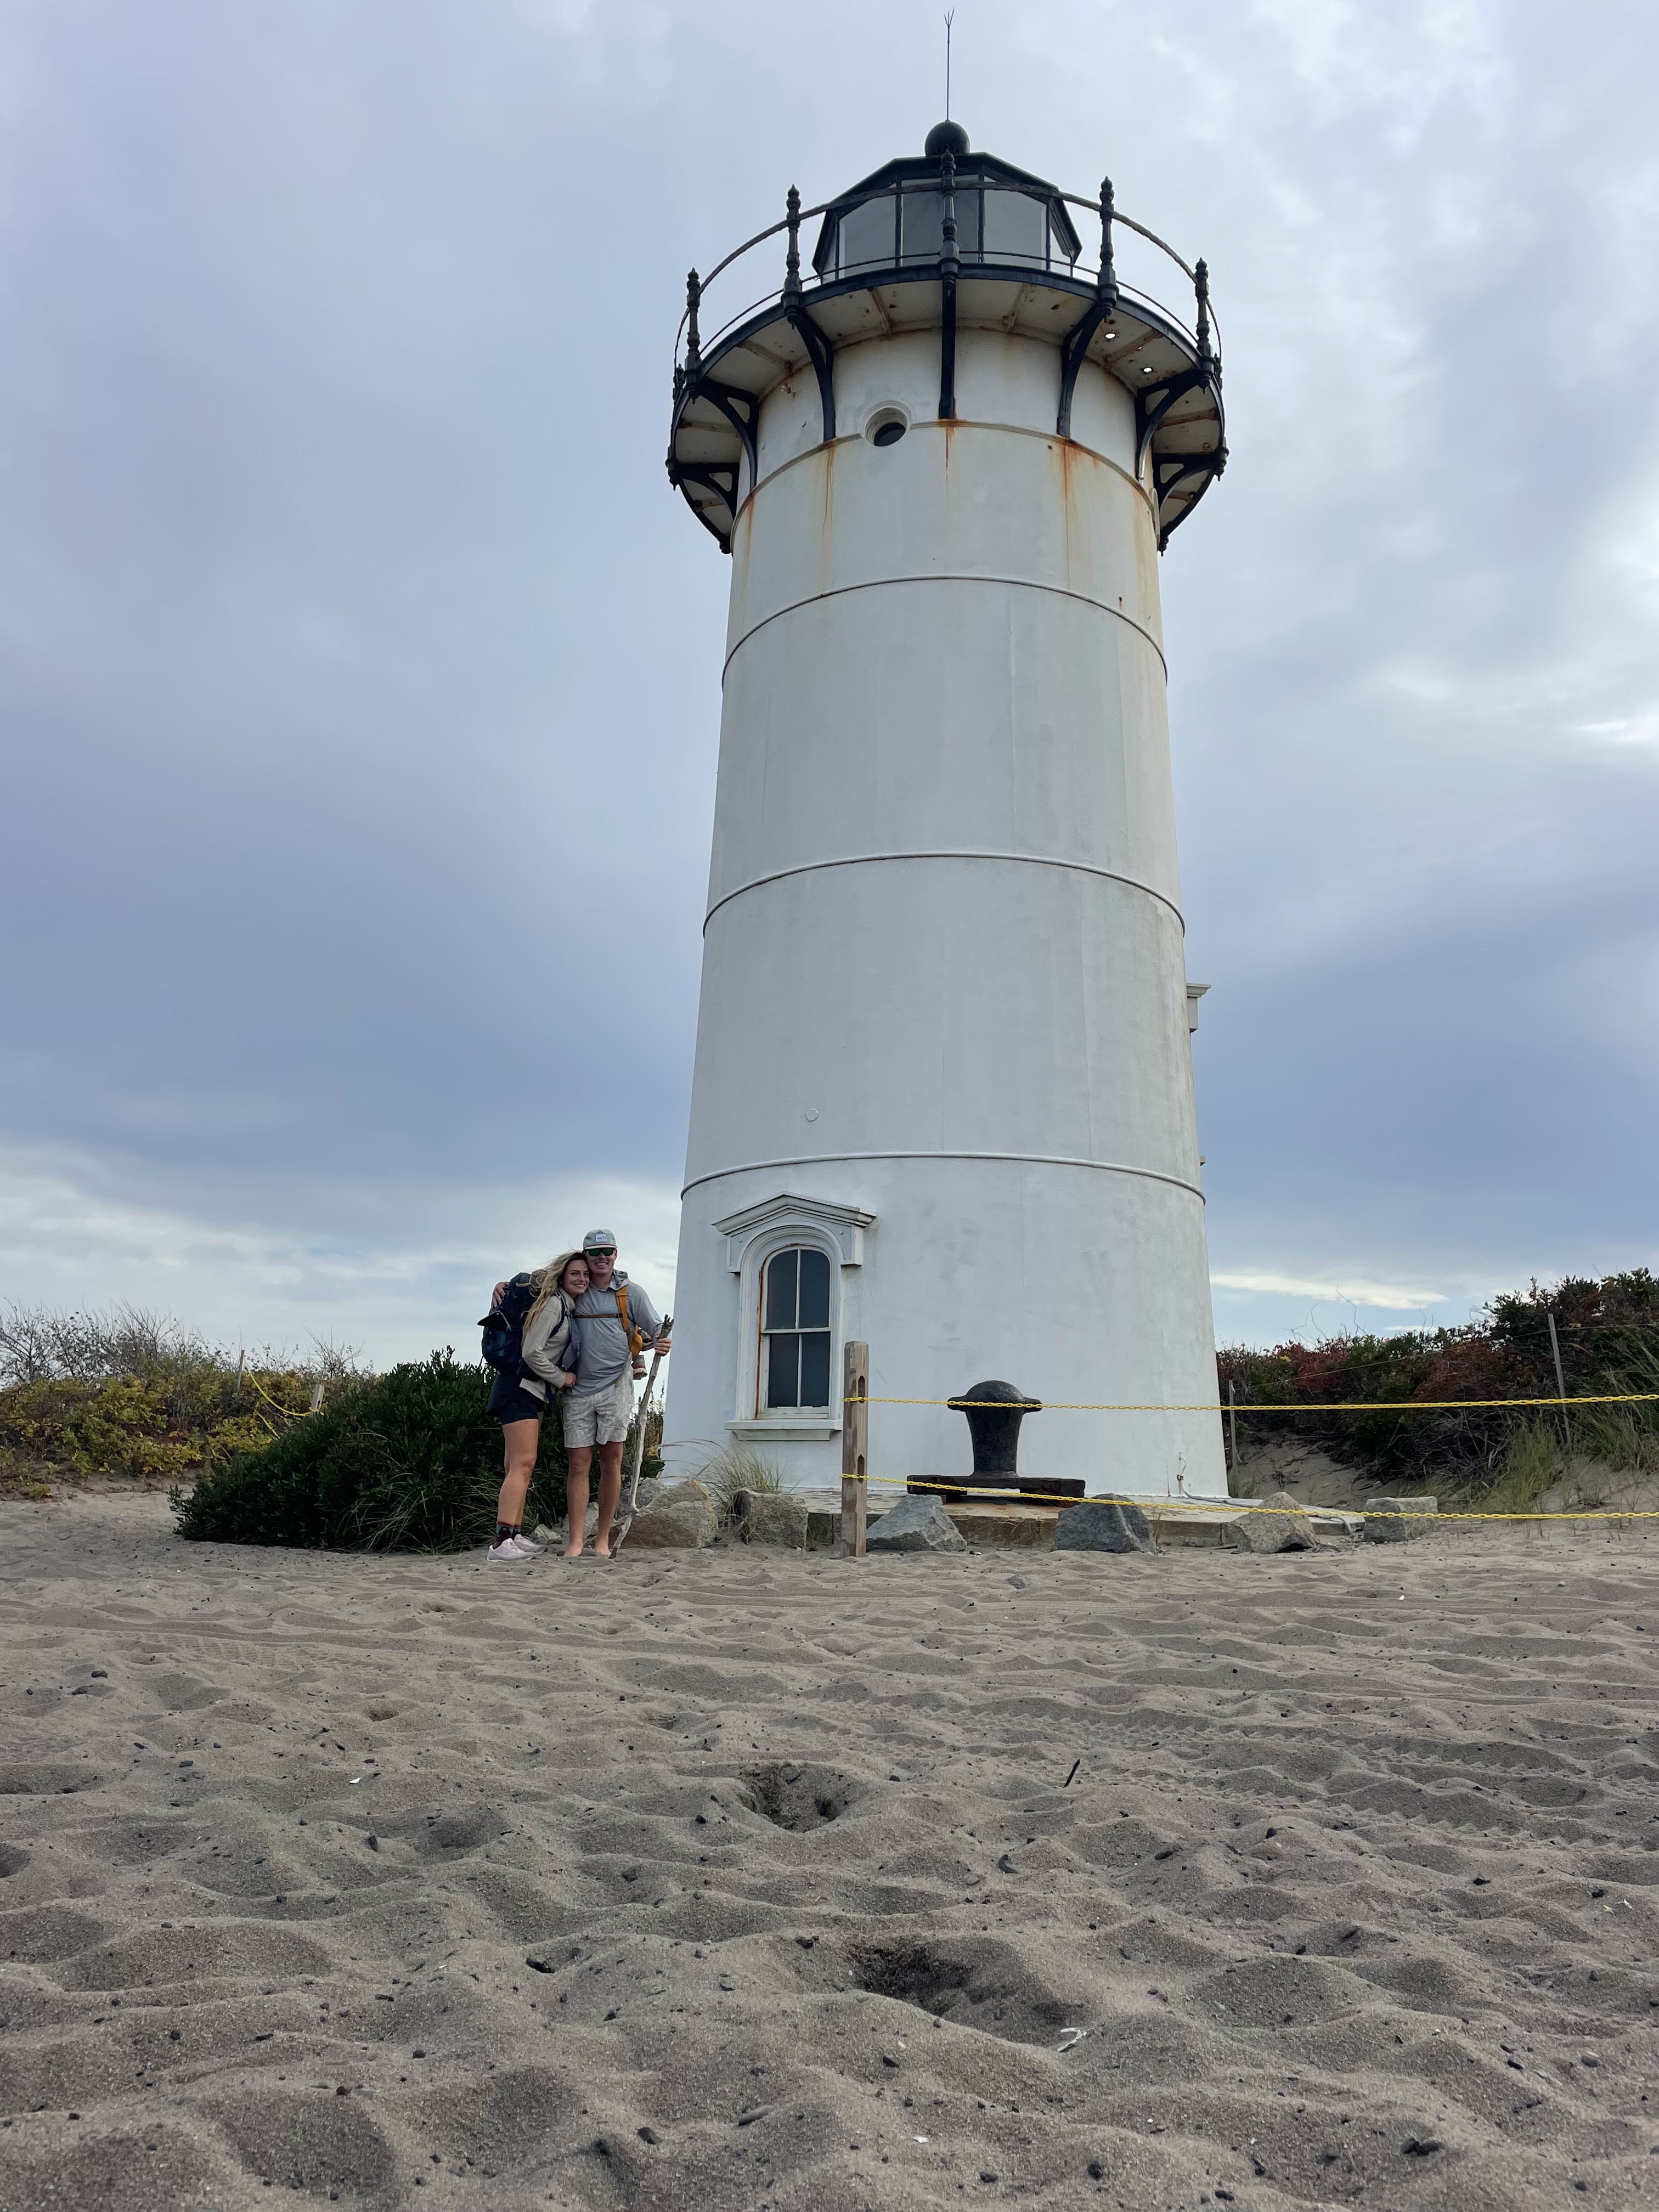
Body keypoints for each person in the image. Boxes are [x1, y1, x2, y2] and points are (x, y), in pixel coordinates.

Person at [561, 1229, 670, 1559]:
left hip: (618, 1386)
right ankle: (575, 1541)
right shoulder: (570, 1287)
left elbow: (655, 1327)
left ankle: (603, 1540)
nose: (601, 1257)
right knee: (578, 1464)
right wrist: (503, 1286)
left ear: (616, 1253)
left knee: (612, 1462)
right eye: (594, 1252)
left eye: (607, 1251)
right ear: (584, 1255)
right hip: (575, 1388)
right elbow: (532, 1288)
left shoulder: (629, 1292)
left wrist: (661, 1341)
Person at [485, 1251, 585, 1562]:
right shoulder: (555, 1304)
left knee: (517, 1465)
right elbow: (531, 1351)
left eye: (584, 1274)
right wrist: (562, 1378)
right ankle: (503, 1542)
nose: (581, 1279)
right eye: (574, 1274)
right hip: (519, 1388)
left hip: (530, 1391)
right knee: (523, 1464)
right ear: (562, 1276)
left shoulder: (566, 1306)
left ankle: (513, 1534)